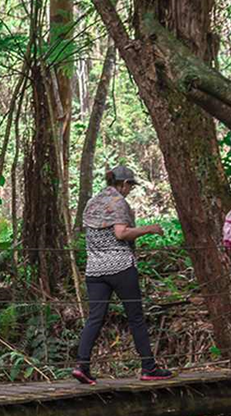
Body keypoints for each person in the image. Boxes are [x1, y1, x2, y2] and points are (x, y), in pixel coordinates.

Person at [72, 165, 173, 385]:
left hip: (95, 269)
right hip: (120, 267)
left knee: (95, 317)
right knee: (136, 317)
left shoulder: (92, 202)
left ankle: (82, 365)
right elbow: (121, 233)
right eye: (130, 186)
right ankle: (149, 367)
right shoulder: (119, 203)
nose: (130, 191)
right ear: (124, 184)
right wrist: (150, 229)